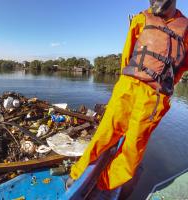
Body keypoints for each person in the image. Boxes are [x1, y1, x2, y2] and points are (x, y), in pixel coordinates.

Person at [68, 0, 188, 190]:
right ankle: (77, 173)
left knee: (133, 149)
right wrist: (125, 82)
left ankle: (103, 186)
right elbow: (127, 55)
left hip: (154, 98)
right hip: (128, 86)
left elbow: (181, 67)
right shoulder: (141, 18)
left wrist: (163, 87)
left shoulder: (186, 28)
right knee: (105, 133)